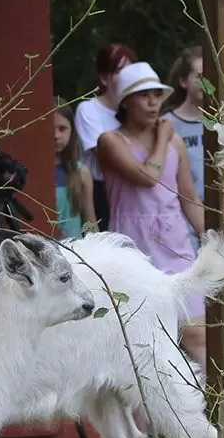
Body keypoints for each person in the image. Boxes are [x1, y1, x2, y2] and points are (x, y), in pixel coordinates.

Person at [96, 61, 207, 372]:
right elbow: (148, 177)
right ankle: (144, 421)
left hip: (176, 247)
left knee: (197, 334)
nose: (153, 102)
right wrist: (162, 139)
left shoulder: (176, 142)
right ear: (125, 102)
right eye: (144, 95)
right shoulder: (110, 141)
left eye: (157, 94)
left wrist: (212, 241)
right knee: (141, 344)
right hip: (134, 252)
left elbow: (189, 197)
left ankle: (213, 414)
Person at [75, 42, 138, 232]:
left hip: (135, 188)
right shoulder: (88, 110)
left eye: (133, 71)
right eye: (121, 71)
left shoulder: (139, 110)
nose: (129, 77)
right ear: (104, 78)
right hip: (100, 191)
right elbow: (105, 155)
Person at [162, 47, 206, 254]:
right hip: (178, 218)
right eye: (199, 76)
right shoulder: (166, 125)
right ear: (183, 81)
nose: (206, 83)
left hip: (220, 212)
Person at [53, 98, 95, 239]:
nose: (56, 135)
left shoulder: (81, 172)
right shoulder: (33, 172)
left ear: (72, 131)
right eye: (50, 129)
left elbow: (89, 222)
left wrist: (95, 247)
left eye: (62, 129)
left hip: (75, 251)